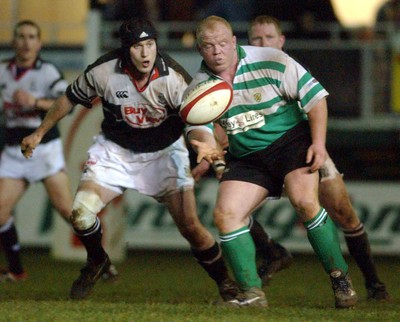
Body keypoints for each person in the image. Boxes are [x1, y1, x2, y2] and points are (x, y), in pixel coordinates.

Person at [21, 17, 237, 302]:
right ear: (126, 49)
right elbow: (68, 99)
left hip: (164, 153)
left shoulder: (174, 77)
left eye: (150, 44)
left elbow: (195, 121)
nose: (146, 53)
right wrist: (39, 133)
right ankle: (97, 261)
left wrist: (204, 144)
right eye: (138, 47)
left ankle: (227, 285)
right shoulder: (104, 71)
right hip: (116, 151)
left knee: (192, 228)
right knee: (81, 215)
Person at [189, 15, 358, 308]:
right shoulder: (200, 85)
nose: (216, 51)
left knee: (305, 202)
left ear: (233, 43)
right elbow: (198, 126)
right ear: (200, 50)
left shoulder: (272, 60)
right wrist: (205, 146)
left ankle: (340, 277)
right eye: (208, 46)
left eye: (221, 44)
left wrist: (318, 143)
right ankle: (251, 293)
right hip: (247, 156)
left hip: (291, 143)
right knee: (225, 214)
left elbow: (316, 99)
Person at [246, 14, 389, 301]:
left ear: (281, 41)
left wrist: (317, 146)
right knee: (235, 209)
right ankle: (273, 252)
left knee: (345, 214)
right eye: (257, 39)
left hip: (302, 154)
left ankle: (373, 283)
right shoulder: (241, 74)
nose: (264, 44)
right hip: (263, 157)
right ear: (248, 43)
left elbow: (316, 106)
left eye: (269, 38)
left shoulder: (291, 68)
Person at [0, 20, 118, 284]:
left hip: (44, 149)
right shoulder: (3, 71)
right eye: (21, 36)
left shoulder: (47, 71)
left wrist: (34, 102)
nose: (26, 41)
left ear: (39, 43)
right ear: (14, 41)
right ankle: (17, 271)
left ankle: (103, 262)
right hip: (13, 149)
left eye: (32, 36)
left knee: (69, 211)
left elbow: (64, 104)